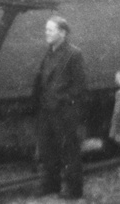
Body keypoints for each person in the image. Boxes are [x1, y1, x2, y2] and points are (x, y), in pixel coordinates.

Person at [31, 16, 88, 199]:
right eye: (46, 29)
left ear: (62, 33)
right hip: (47, 110)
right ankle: (51, 185)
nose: (46, 32)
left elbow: (80, 86)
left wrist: (62, 100)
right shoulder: (49, 52)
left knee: (69, 152)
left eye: (50, 29)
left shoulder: (74, 54)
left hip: (63, 112)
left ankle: (74, 190)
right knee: (48, 150)